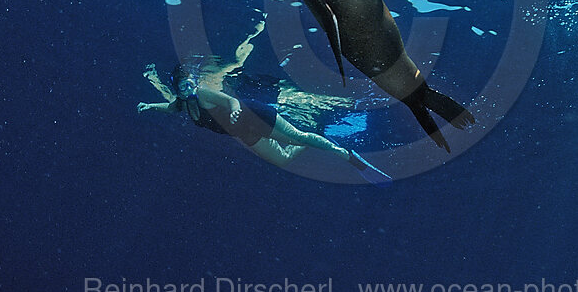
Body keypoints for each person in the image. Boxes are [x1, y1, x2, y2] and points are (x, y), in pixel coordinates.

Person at [137, 19, 391, 185]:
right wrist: (150, 106)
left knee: (296, 138)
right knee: (283, 159)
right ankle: (317, 134)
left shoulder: (202, 93)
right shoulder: (185, 104)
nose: (187, 88)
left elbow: (230, 102)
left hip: (253, 115)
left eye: (189, 83)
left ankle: (349, 156)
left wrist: (235, 110)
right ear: (177, 88)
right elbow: (170, 107)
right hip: (244, 133)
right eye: (182, 86)